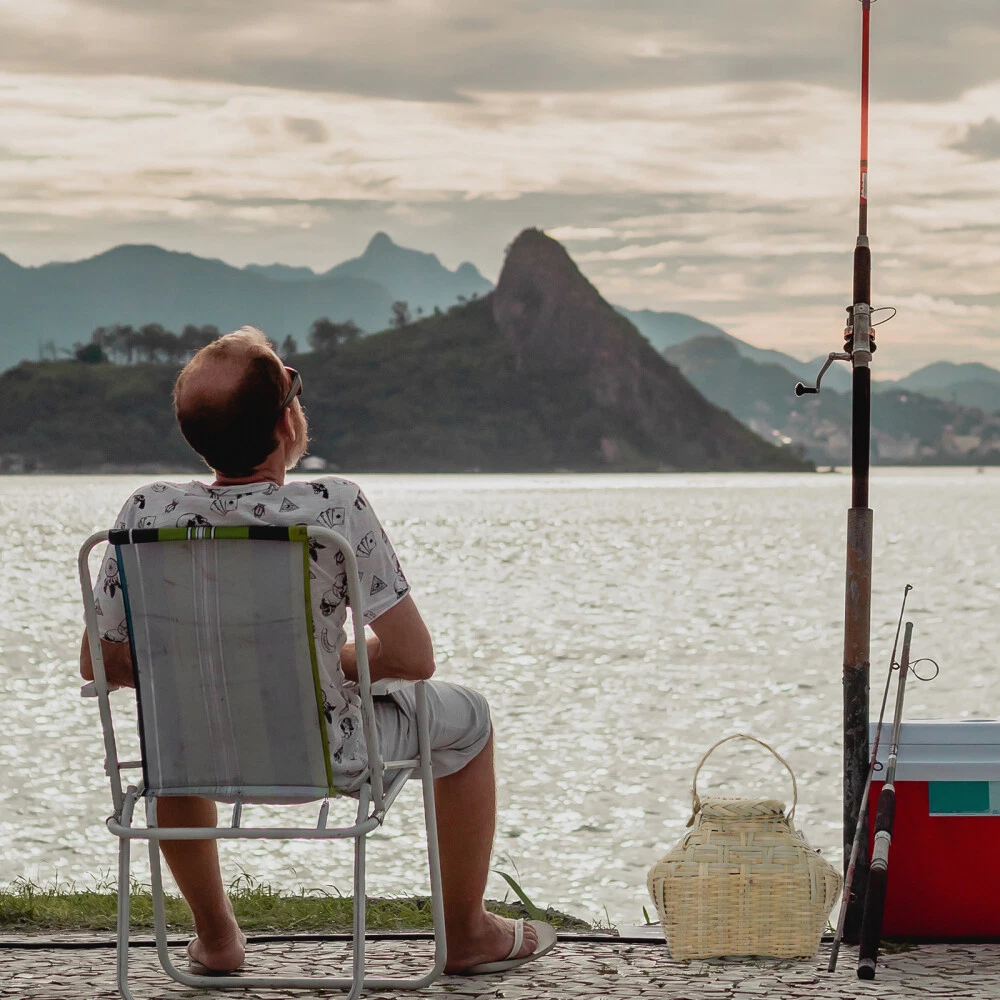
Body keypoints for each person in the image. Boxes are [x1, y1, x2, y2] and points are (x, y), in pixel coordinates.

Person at [79, 326, 555, 976]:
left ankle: (217, 939)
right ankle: (467, 932)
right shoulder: (334, 507)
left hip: (191, 757)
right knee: (470, 719)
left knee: (175, 730)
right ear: (286, 422)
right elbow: (413, 658)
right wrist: (330, 664)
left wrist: (200, 668)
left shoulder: (144, 512)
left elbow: (98, 663)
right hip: (329, 753)